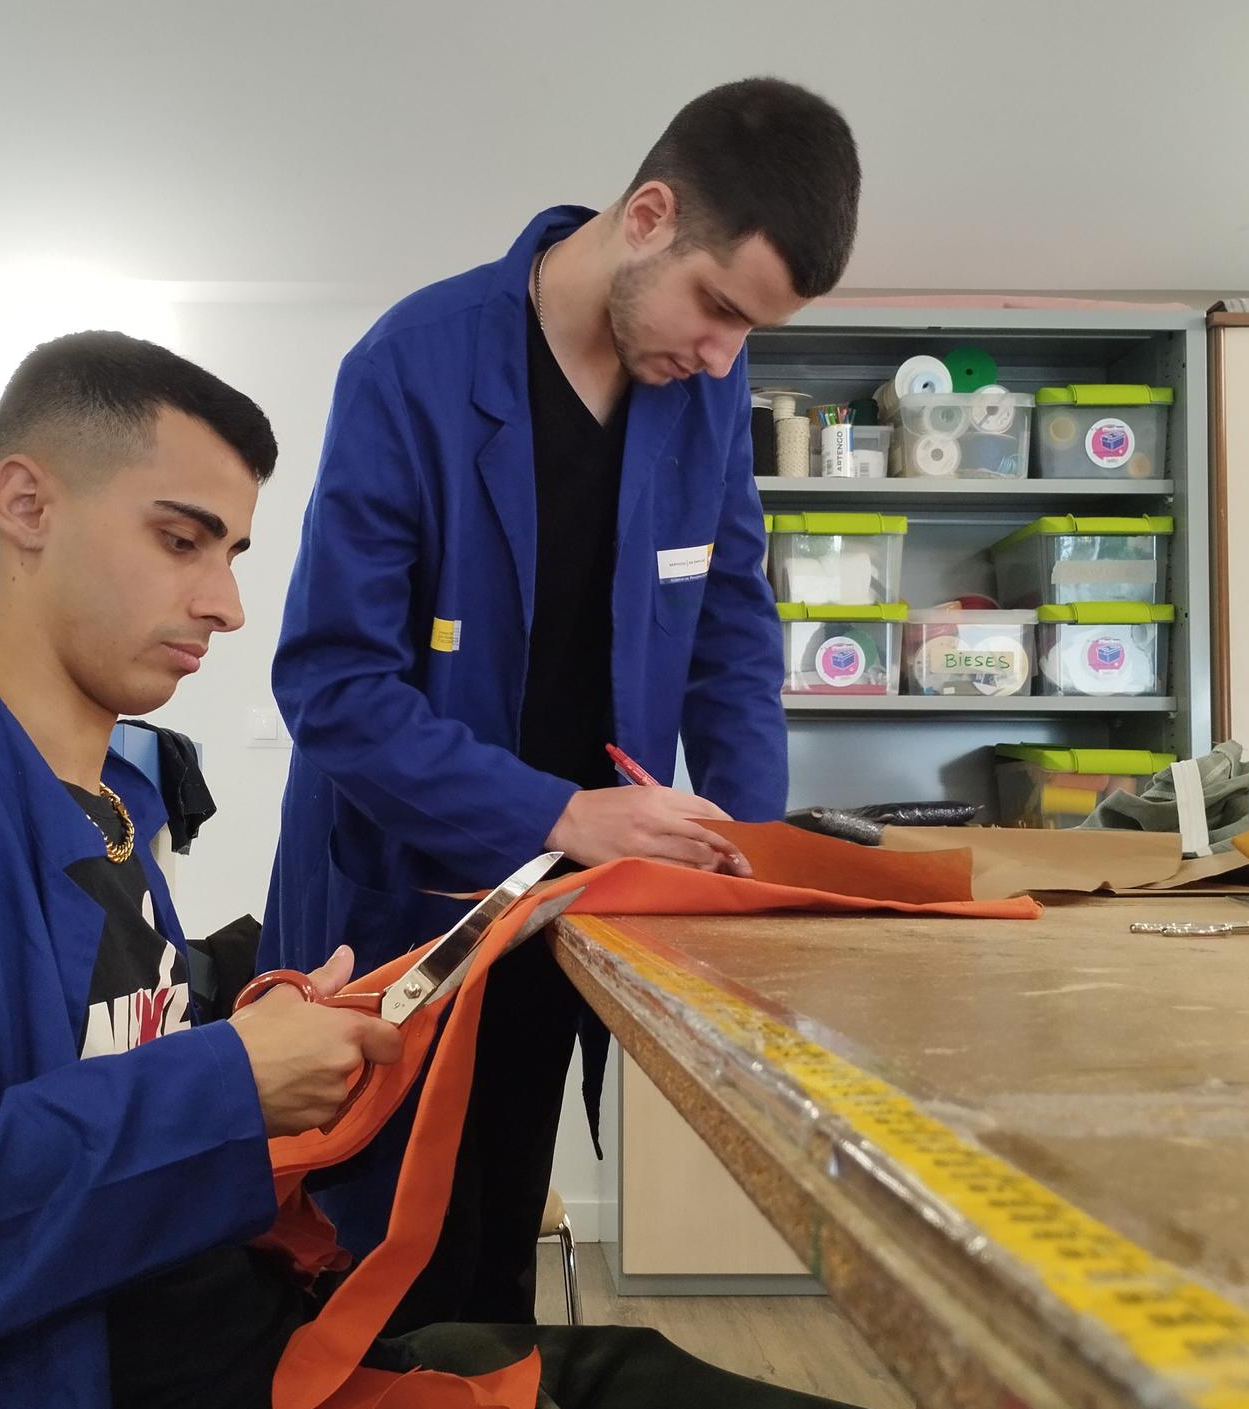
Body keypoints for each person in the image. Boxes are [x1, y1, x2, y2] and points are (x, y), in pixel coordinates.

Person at [0, 330, 937, 1409]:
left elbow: (88, 1060)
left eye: (233, 555)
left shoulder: (111, 801)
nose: (224, 603)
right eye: (181, 541)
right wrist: (225, 1085)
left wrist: (253, 1022)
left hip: (270, 1348)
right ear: (25, 503)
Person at [260, 78, 863, 1325]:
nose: (719, 356)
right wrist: (557, 814)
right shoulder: (411, 366)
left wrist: (745, 853)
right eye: (715, 308)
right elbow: (332, 685)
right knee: (372, 1280)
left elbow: (732, 636)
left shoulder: (698, 398)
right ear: (646, 215)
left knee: (493, 1276)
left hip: (570, 917)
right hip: (403, 907)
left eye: (751, 332)